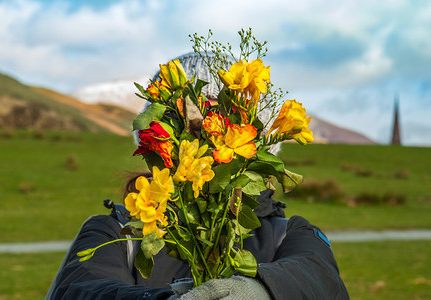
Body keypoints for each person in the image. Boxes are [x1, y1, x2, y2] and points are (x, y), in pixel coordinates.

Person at [46, 53, 350, 300]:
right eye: (187, 129)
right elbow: (80, 289)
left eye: (223, 126)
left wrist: (264, 290)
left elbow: (320, 278)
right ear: (155, 144)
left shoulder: (288, 234)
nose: (204, 141)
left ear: (253, 145)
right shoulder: (115, 232)